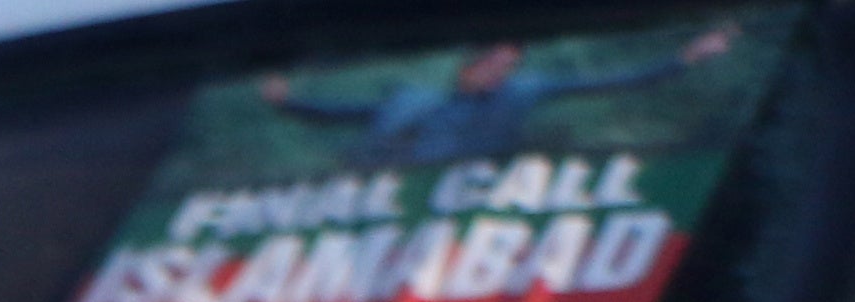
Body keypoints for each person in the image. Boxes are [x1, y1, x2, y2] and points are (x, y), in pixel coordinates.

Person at [259, 29, 736, 168]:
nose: (502, 72)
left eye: (509, 65)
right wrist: (287, 102)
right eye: (495, 63)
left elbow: (615, 81)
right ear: (471, 64)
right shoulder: (412, 98)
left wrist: (686, 58)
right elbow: (340, 115)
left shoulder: (525, 91)